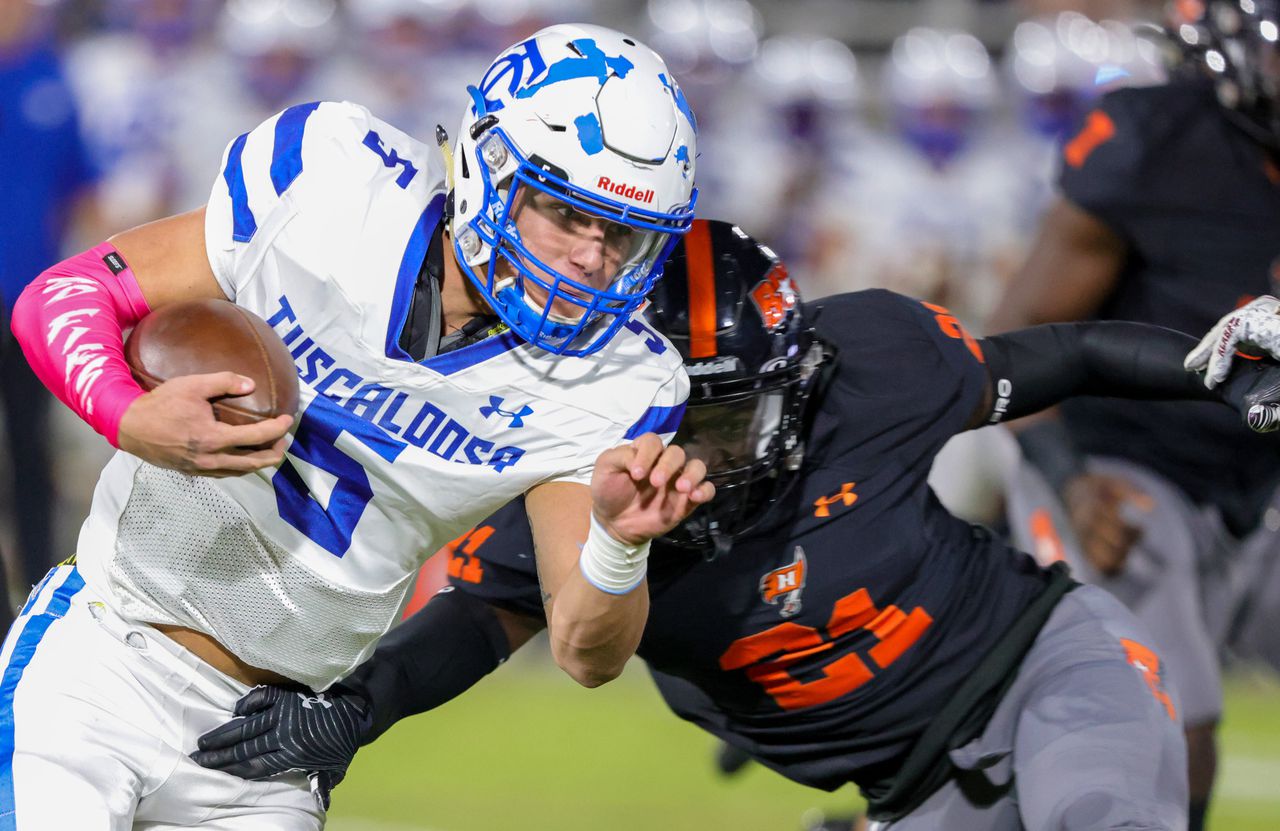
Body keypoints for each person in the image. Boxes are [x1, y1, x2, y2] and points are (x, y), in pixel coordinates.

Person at [192, 219, 1280, 829]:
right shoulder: (585, 484)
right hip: (905, 788)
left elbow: (1064, 354)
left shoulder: (872, 363)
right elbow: (483, 617)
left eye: (714, 413)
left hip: (1038, 663)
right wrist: (356, 712)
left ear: (792, 374)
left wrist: (1210, 368)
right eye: (657, 416)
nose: (689, 449)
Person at [2, 23, 709, 829]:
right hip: (105, 659)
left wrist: (621, 543)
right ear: (487, 167)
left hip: (272, 745)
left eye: (620, 233)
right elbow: (63, 295)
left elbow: (588, 652)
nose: (592, 259)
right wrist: (130, 415)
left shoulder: (619, 379)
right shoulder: (335, 178)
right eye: (563, 213)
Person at [988, 4, 1280, 827]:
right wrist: (1071, 482)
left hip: (1254, 479)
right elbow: (1016, 342)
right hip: (1120, 463)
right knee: (1164, 721)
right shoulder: (1157, 143)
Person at [0, 0, 101, 614]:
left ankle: (37, 590)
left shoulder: (50, 79)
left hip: (27, 303)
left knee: (31, 453)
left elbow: (79, 189)